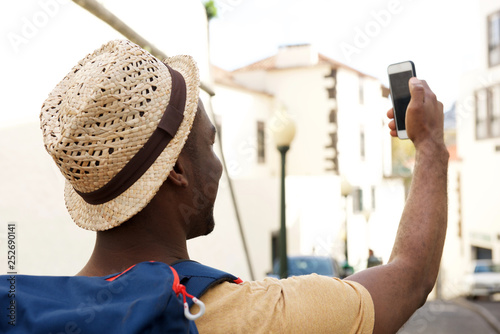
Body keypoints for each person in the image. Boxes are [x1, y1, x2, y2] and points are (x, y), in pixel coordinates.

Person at [40, 40, 448, 333]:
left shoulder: (36, 315)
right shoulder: (261, 317)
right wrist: (430, 146)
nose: (217, 165)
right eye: (210, 144)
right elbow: (410, 276)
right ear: (177, 171)